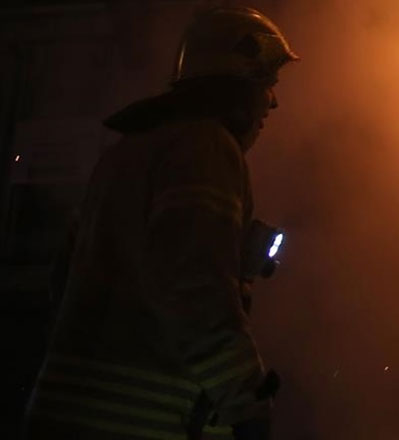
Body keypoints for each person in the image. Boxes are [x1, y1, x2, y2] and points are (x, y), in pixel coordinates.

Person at [23, 7, 297, 440]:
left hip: (63, 413)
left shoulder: (124, 155)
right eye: (268, 84)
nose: (273, 102)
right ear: (239, 83)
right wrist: (246, 399)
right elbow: (196, 285)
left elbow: (67, 279)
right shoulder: (207, 147)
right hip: (140, 424)